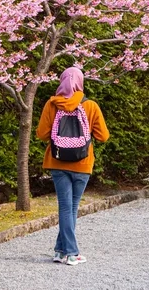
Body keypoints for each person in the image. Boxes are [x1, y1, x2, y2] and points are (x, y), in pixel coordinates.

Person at [36, 67, 109, 266]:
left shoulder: (52, 105)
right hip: (82, 163)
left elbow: (42, 134)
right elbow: (103, 136)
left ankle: (61, 251)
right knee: (71, 208)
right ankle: (71, 252)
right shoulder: (91, 106)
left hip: (57, 161)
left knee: (66, 207)